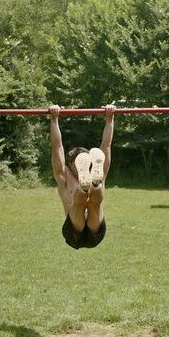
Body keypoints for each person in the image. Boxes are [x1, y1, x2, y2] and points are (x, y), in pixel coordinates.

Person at [49, 104, 116, 249]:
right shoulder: (63, 177)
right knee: (86, 203)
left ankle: (90, 185)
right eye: (78, 163)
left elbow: (106, 145)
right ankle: (88, 186)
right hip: (75, 232)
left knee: (93, 203)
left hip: (92, 229)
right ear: (71, 165)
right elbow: (57, 146)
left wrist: (110, 118)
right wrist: (54, 119)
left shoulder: (95, 171)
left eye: (84, 162)